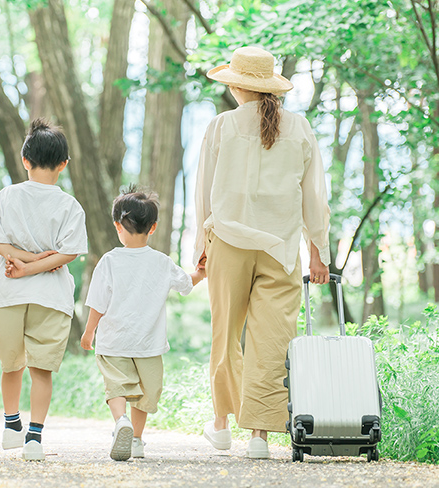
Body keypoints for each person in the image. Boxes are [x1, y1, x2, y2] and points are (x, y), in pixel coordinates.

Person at [194, 45, 330, 459]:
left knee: (226, 337)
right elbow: (314, 198)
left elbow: (204, 194)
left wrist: (201, 248)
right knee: (273, 341)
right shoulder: (300, 127)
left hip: (229, 244)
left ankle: (220, 425)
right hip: (280, 248)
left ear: (236, 85)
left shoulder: (221, 126)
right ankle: (259, 436)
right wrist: (318, 251)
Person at [0, 119, 88, 462]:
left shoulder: (7, 196)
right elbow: (68, 253)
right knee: (41, 370)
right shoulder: (70, 205)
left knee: (10, 364)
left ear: (25, 160)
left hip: (10, 293)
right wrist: (35, 262)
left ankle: (11, 425)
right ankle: (35, 438)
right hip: (51, 298)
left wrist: (21, 263)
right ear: (64, 164)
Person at [80, 188, 205, 461]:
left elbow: (98, 302)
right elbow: (186, 284)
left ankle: (120, 422)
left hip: (114, 341)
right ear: (153, 227)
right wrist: (201, 273)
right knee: (146, 394)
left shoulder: (110, 261)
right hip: (148, 344)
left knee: (117, 387)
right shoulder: (162, 262)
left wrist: (89, 332)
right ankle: (135, 439)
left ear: (117, 226)